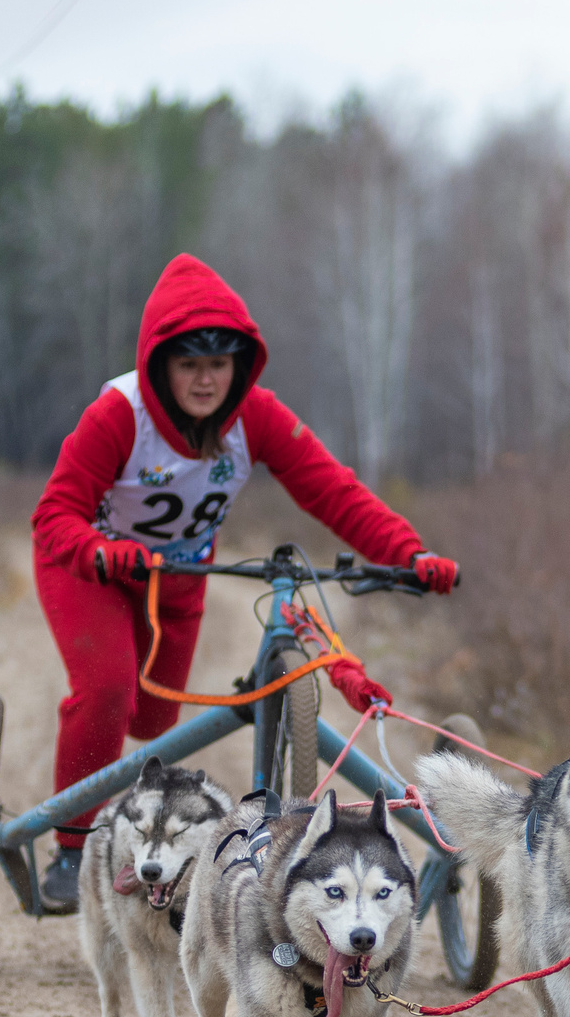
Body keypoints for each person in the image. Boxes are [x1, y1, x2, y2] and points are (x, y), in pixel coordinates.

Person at [28, 253, 457, 913]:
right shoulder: (119, 415)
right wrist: (100, 552)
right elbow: (54, 514)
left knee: (154, 723)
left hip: (180, 579)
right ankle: (72, 848)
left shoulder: (253, 416)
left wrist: (409, 551)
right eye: (190, 364)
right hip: (94, 573)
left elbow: (332, 490)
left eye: (219, 364)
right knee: (108, 691)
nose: (205, 380)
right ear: (160, 365)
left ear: (239, 365)